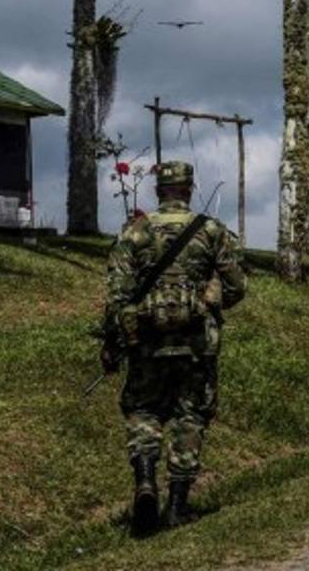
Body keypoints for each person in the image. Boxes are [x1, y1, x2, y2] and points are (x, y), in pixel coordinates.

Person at [100, 161, 247, 535]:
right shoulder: (211, 230)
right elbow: (236, 287)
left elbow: (117, 296)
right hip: (197, 345)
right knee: (191, 415)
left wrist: (111, 341)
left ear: (157, 191)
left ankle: (145, 481)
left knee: (143, 410)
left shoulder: (135, 231)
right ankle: (178, 506)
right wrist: (207, 303)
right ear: (189, 188)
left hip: (146, 344)